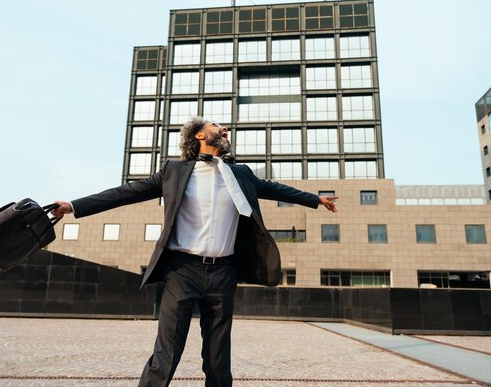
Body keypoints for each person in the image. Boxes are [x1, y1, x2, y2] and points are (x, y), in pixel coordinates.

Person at [52, 117, 338, 387]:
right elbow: (127, 192)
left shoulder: (241, 174)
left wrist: (316, 199)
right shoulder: (173, 171)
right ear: (200, 135)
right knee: (166, 353)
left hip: (224, 273)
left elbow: (276, 189)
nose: (225, 129)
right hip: (182, 271)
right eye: (217, 126)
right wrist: (75, 207)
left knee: (218, 359)